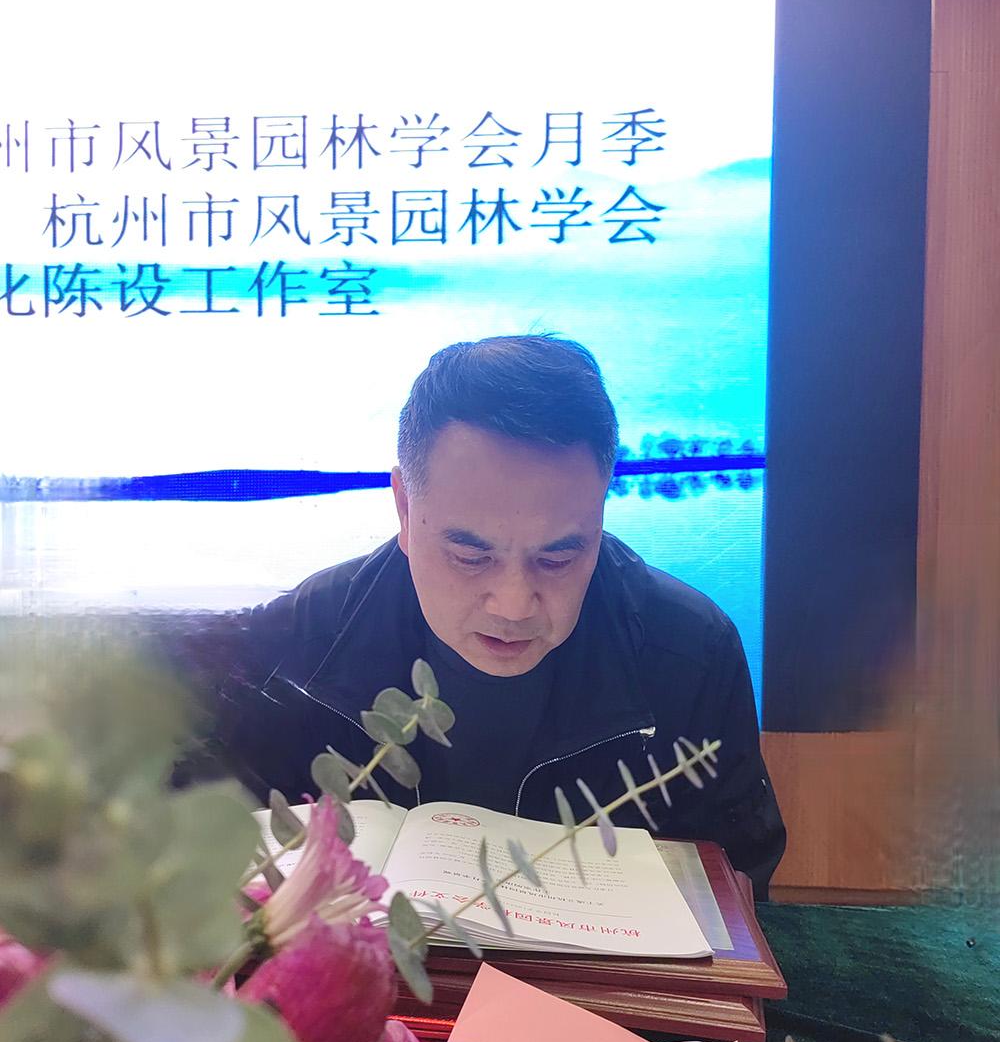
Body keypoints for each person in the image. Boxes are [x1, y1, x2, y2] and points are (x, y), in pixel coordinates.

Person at [208, 335, 785, 898]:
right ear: (405, 508)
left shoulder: (689, 651)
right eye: (470, 556)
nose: (513, 605)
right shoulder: (297, 642)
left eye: (557, 559)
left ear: (602, 509)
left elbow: (737, 882)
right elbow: (230, 882)